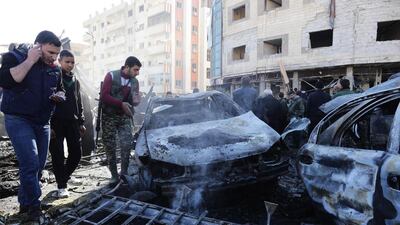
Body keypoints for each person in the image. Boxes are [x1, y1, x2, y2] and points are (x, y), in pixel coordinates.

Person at [0, 30, 64, 222]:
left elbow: (59, 88)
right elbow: (7, 80)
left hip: (42, 121)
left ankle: (24, 203)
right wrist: (29, 61)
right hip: (18, 118)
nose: (54, 57)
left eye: (57, 54)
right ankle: (35, 208)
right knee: (30, 163)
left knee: (37, 167)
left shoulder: (55, 68)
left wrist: (60, 95)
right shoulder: (13, 57)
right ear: (37, 46)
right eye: (50, 52)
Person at [49, 50, 86, 198]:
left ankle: (64, 177)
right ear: (60, 61)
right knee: (57, 155)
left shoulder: (75, 80)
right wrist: (49, 124)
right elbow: (47, 101)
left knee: (76, 153)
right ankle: (61, 186)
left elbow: (79, 102)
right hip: (56, 123)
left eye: (72, 62)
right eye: (67, 62)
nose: (70, 65)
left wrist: (81, 122)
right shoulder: (53, 77)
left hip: (72, 122)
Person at [101, 56, 142, 184]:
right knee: (110, 146)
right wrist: (121, 104)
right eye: (135, 70)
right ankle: (114, 175)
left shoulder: (135, 82)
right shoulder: (111, 76)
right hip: (109, 116)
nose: (137, 73)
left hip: (125, 116)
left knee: (127, 144)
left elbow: (134, 102)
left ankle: (123, 173)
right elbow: (104, 96)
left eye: (138, 70)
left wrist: (136, 101)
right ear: (127, 67)